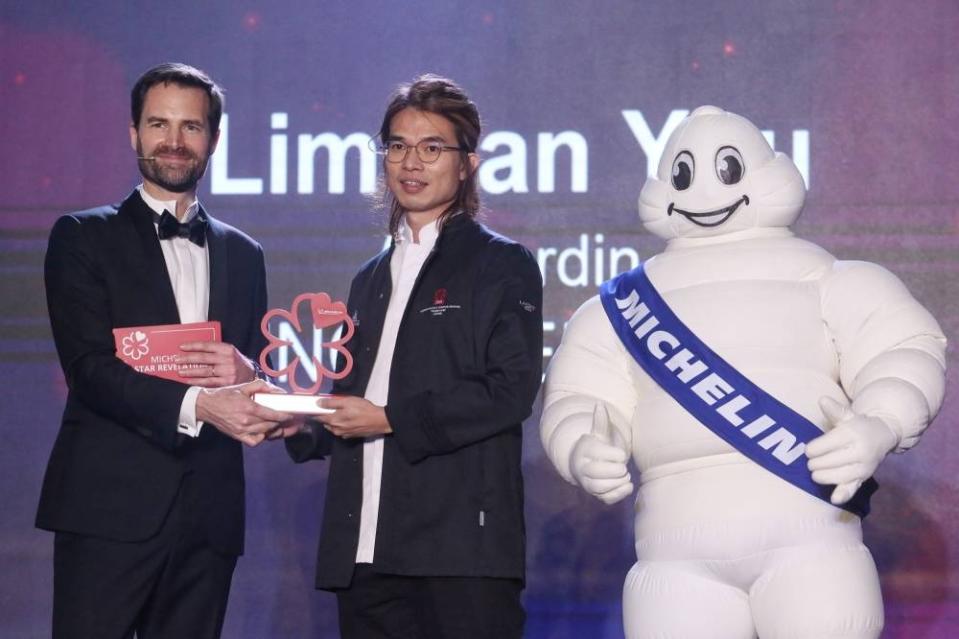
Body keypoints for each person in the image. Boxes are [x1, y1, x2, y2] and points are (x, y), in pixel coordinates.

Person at [539, 106, 947, 639]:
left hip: (811, 537)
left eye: (727, 170)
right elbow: (578, 395)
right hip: (673, 550)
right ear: (665, 187)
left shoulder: (829, 279)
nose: (706, 191)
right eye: (685, 175)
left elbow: (903, 350)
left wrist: (881, 421)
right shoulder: (617, 307)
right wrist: (579, 446)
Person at [283, 74, 543, 639]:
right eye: (397, 146)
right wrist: (300, 421)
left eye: (432, 148)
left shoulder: (501, 263)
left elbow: (510, 390)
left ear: (467, 162)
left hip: (461, 552)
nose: (411, 163)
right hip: (367, 550)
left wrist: (392, 418)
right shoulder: (369, 277)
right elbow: (355, 397)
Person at [38, 62, 291, 639]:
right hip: (107, 508)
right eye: (158, 124)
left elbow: (253, 369)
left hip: (209, 513)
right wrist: (201, 405)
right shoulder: (81, 236)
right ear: (134, 133)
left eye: (191, 127)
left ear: (214, 140)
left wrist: (256, 379)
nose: (174, 142)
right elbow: (89, 372)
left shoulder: (245, 253)